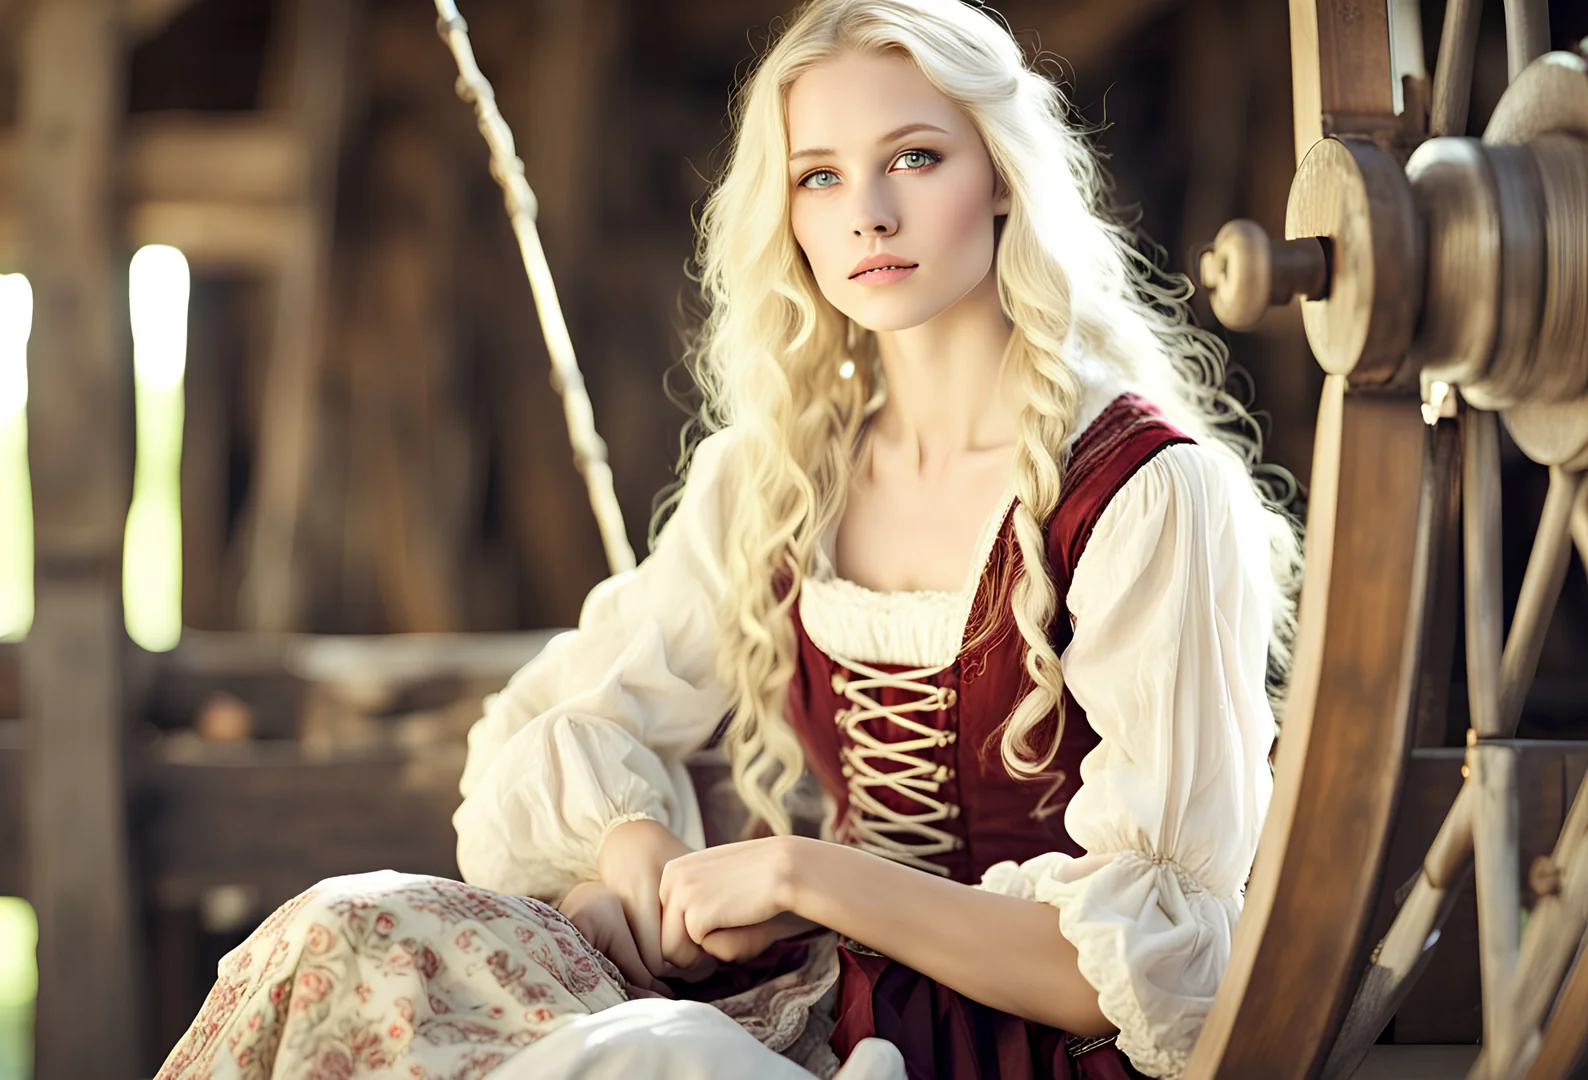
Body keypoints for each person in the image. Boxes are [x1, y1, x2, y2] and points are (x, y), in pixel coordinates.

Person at [155, 0, 1299, 1077]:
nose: (869, 214)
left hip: (1009, 1051)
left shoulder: (1145, 494)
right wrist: (635, 860)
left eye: (914, 157)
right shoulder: (777, 479)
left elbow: (1174, 959)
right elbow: (559, 726)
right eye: (820, 176)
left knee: (644, 1060)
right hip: (814, 1007)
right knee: (347, 926)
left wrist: (807, 876)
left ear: (1000, 176)